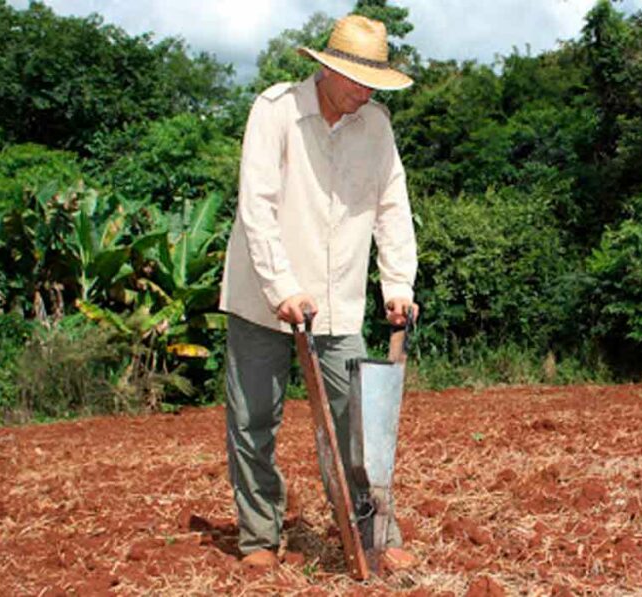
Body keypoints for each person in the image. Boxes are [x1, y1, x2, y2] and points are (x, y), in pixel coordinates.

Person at [218, 13, 418, 570]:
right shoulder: (277, 111)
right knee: (255, 419)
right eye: (354, 78)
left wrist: (397, 282)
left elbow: (391, 207)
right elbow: (256, 207)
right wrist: (281, 285)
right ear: (326, 70)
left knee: (359, 423)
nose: (363, 91)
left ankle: (375, 534)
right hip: (263, 296)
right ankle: (259, 537)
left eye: (371, 81)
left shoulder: (376, 126)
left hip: (338, 300)